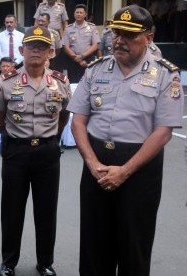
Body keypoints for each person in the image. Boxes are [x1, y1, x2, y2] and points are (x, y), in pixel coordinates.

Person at [66, 5, 184, 276]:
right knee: (94, 244)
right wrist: (93, 163)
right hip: (96, 164)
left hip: (140, 168)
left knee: (134, 245)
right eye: (117, 33)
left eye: (130, 35)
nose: (120, 40)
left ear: (149, 38)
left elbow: (163, 131)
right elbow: (79, 121)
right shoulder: (96, 69)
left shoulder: (166, 74)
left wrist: (125, 171)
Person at [0, 26, 70, 276]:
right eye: (31, 46)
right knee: (11, 211)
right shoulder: (5, 82)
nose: (36, 51)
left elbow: (63, 117)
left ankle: (45, 262)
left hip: (47, 153)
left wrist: (49, 139)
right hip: (17, 153)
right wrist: (18, 140)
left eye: (42, 47)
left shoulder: (60, 82)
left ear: (51, 52)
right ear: (22, 50)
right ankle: (8, 262)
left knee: (46, 210)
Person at [62, 4, 100, 83]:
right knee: (73, 84)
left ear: (85, 14)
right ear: (74, 14)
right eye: (77, 12)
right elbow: (65, 47)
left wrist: (82, 56)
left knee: (89, 83)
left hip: (89, 61)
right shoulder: (68, 29)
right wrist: (78, 59)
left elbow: (95, 45)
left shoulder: (92, 27)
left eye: (81, 13)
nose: (79, 14)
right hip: (73, 61)